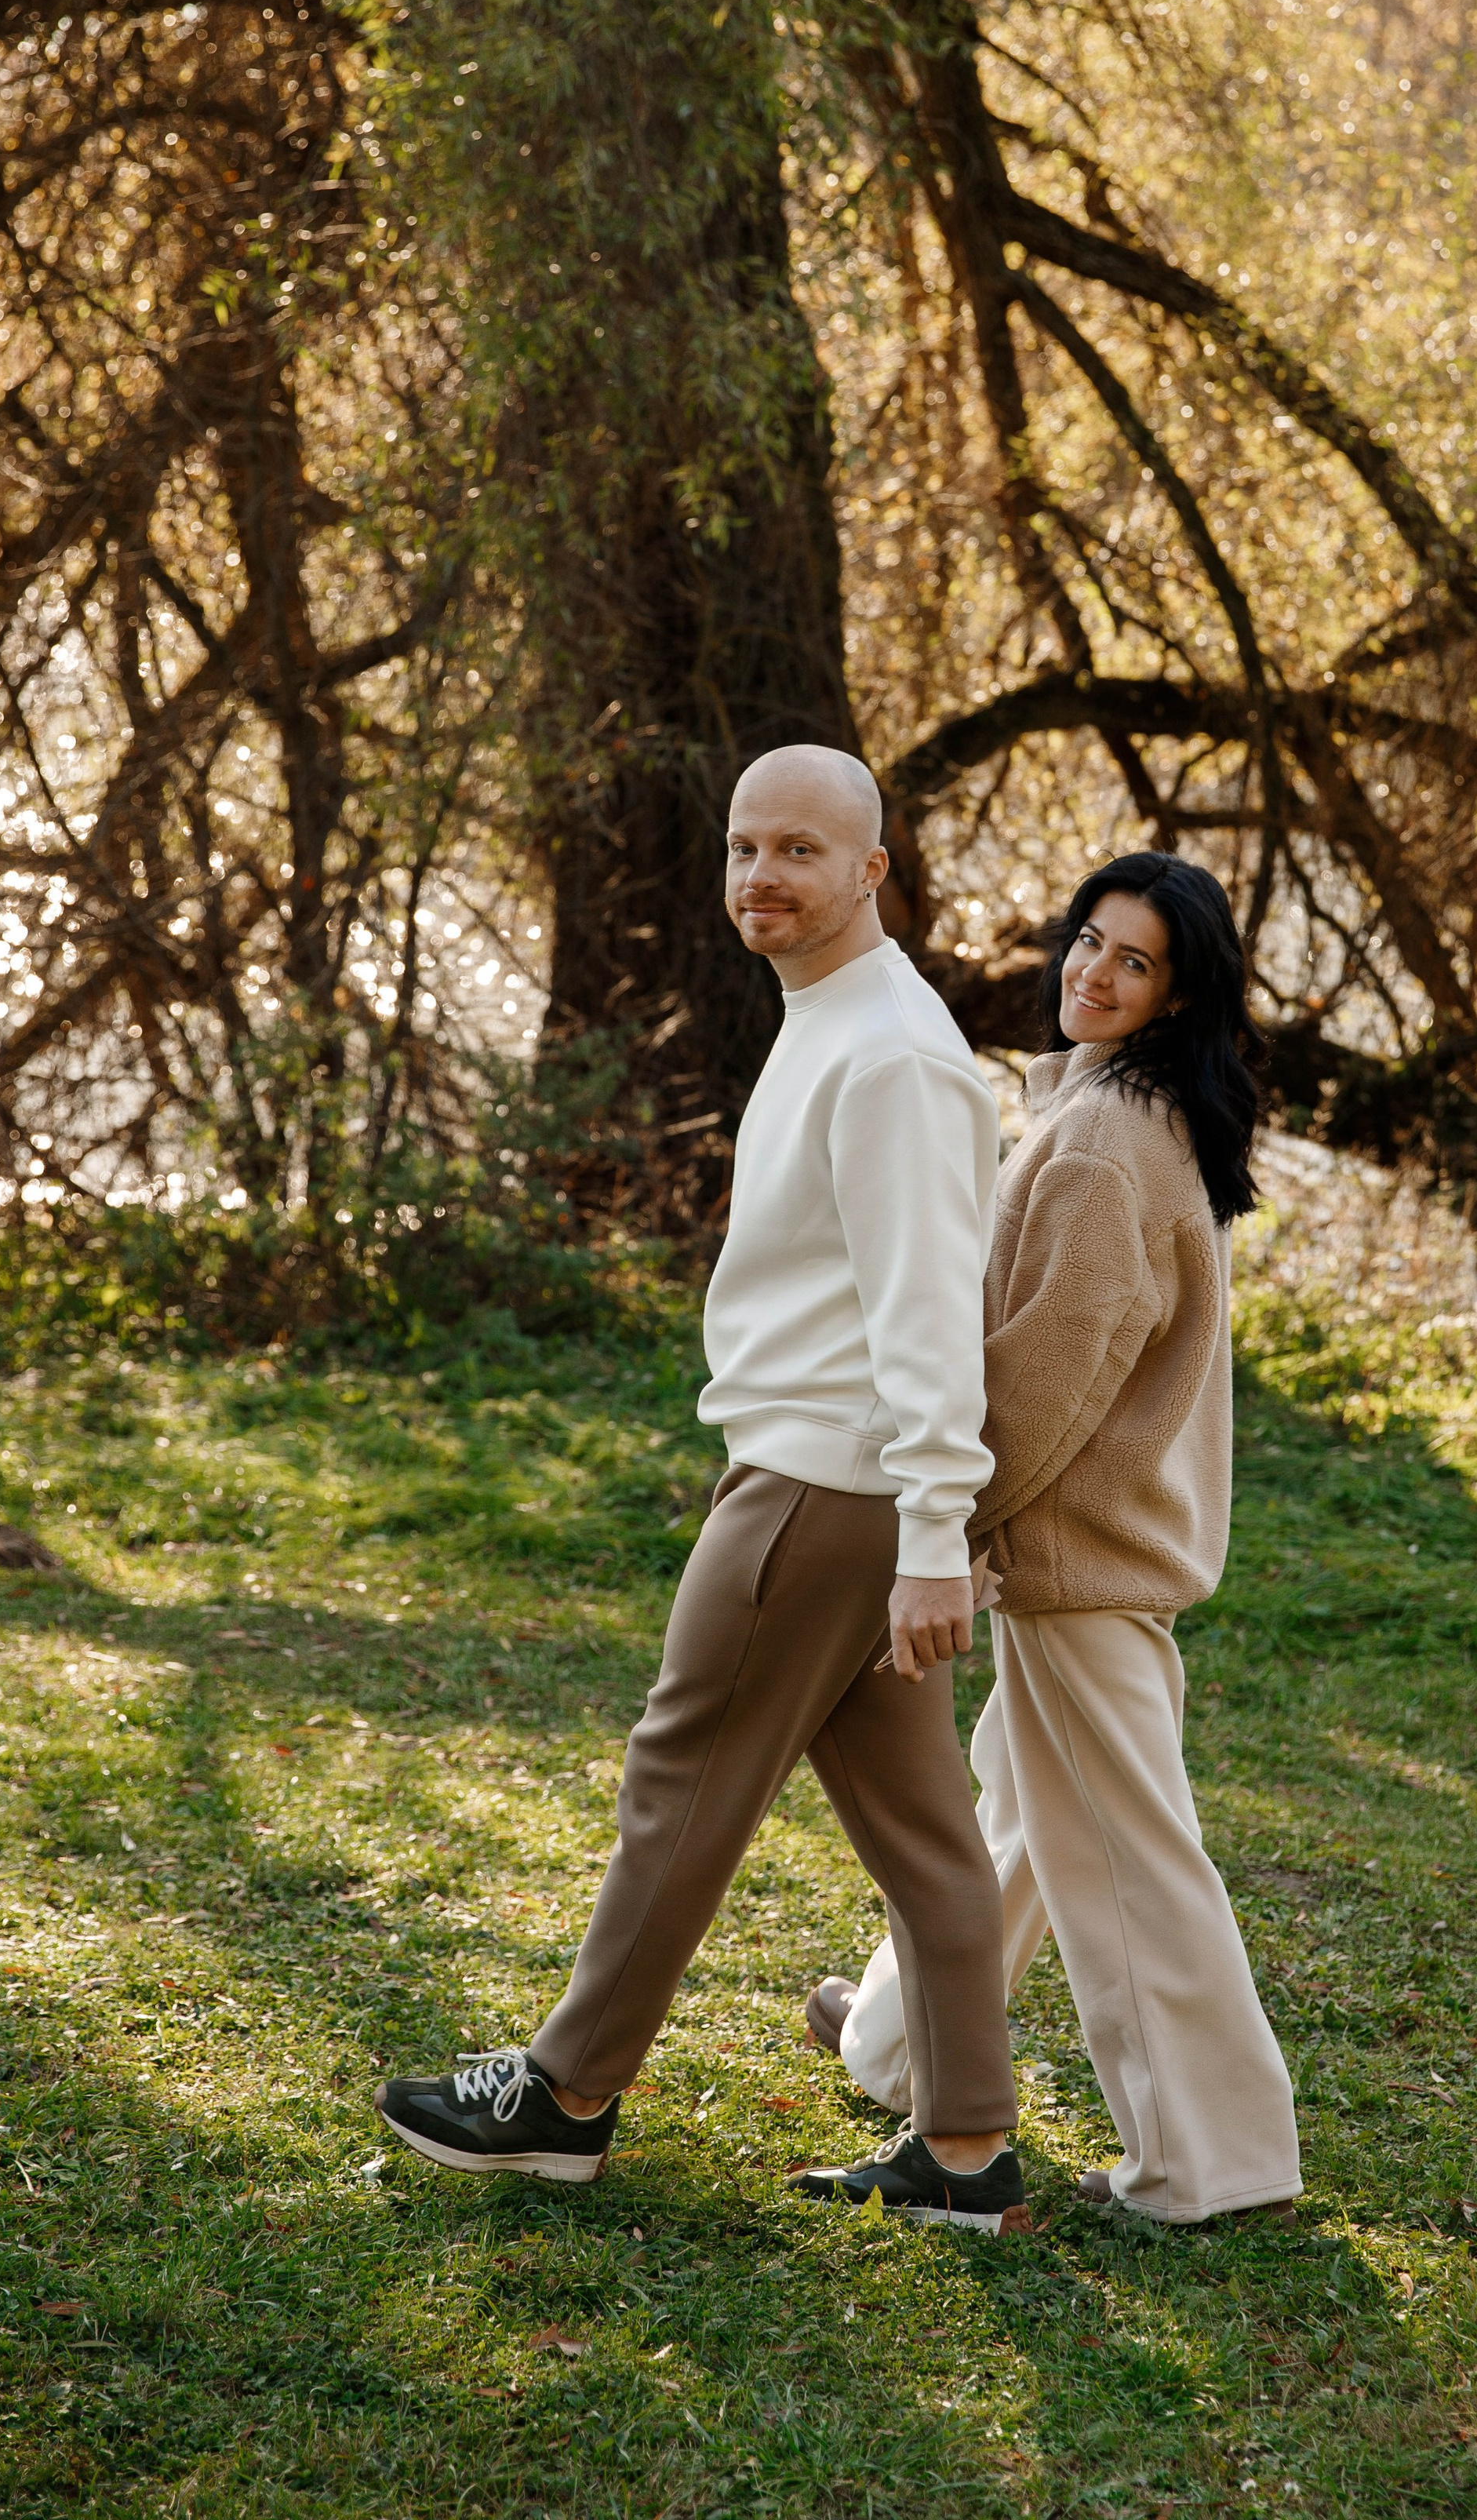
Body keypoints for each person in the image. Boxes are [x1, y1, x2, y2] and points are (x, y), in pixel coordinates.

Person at [377, 744, 1025, 2227]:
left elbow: (933, 1314)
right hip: (840, 1483)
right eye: (743, 849)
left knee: (683, 1776)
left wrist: (935, 1532)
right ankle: (967, 2157)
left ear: (872, 871)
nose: (760, 878)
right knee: (927, 1830)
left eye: (799, 850)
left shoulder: (896, 1056)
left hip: (821, 1488)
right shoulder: (837, 1019)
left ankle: (564, 2093)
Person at [806, 851, 1301, 2227]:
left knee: (1133, 1864)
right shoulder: (1118, 1112)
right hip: (1089, 1555)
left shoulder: (1102, 1144)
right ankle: (891, 2045)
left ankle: (1214, 2163)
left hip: (1081, 1557)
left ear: (1176, 993)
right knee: (1021, 1817)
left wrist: (950, 1522)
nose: (1094, 971)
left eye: (1133, 960)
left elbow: (1046, 1375)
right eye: (1090, 941)